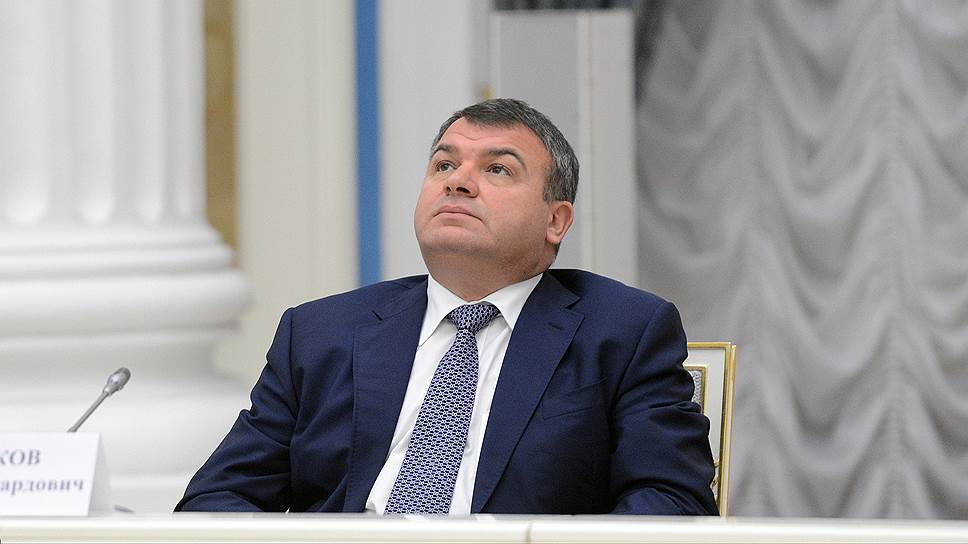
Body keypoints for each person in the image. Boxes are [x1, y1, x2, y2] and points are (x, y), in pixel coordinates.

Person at [176, 98, 717, 515]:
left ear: (556, 221)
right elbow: (218, 498)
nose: (458, 182)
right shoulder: (320, 332)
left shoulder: (624, 331)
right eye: (443, 165)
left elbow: (672, 501)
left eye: (498, 169)